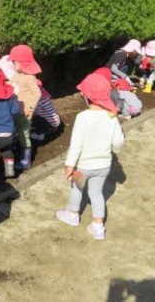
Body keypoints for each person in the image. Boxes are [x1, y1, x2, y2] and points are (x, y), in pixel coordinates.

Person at [55, 73, 125, 240]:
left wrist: (69, 164)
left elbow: (76, 144)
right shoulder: (111, 116)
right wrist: (114, 149)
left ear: (86, 96)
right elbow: (118, 141)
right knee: (96, 192)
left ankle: (72, 214)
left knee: (77, 188)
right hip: (103, 165)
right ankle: (98, 226)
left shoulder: (82, 117)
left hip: (83, 166)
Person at [8, 44, 42, 170]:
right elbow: (11, 83)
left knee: (24, 135)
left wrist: (30, 108)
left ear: (22, 63)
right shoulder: (19, 75)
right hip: (16, 109)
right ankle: (17, 147)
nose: (13, 65)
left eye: (15, 63)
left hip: (25, 112)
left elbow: (37, 93)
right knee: (16, 130)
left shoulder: (29, 78)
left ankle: (25, 160)